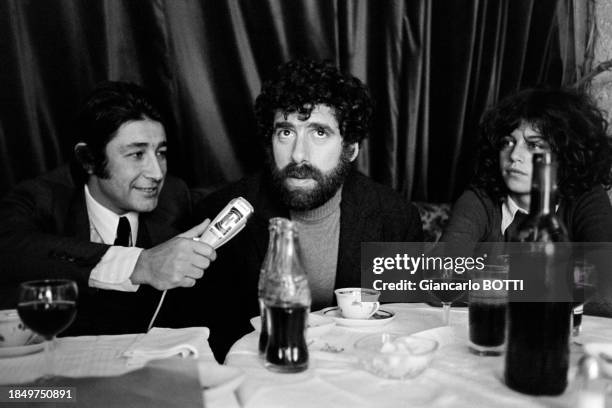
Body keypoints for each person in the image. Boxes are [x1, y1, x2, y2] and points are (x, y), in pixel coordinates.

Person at [193, 59, 423, 360]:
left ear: (351, 148)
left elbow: (401, 327)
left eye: (319, 133)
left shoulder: (395, 217)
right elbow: (203, 335)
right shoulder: (219, 214)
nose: (298, 155)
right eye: (286, 133)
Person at [0, 81, 217, 335]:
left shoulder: (174, 196)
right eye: (137, 155)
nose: (157, 173)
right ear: (88, 159)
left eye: (161, 153)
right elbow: (8, 247)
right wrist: (140, 264)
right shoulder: (42, 198)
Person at [441, 87, 612, 315]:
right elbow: (442, 277)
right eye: (507, 142)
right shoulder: (479, 198)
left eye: (534, 145)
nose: (514, 156)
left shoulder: (588, 197)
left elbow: (606, 288)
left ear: (564, 155)